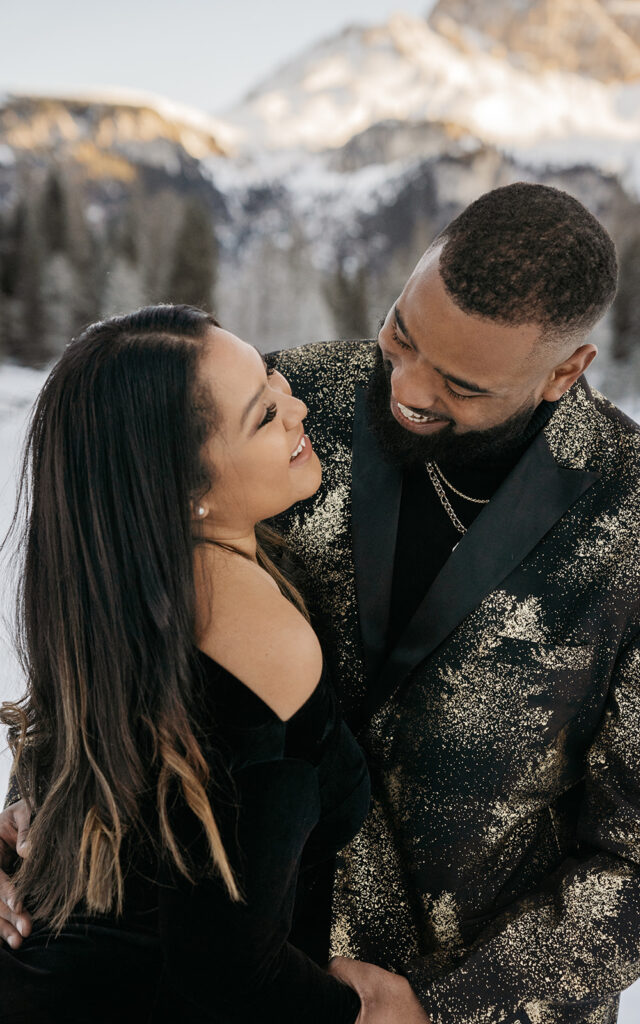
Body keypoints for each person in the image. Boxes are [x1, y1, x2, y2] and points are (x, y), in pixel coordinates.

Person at [3, 182, 640, 1023]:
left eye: (462, 385)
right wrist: (32, 829)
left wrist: (440, 1009)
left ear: (565, 371)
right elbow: (111, 600)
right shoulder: (287, 401)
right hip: (235, 986)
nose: (410, 387)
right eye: (402, 334)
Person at [0, 304, 377, 1023]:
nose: (298, 407)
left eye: (274, 378)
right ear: (186, 488)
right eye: (265, 416)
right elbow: (227, 968)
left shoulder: (116, 587)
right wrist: (362, 1014)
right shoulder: (256, 633)